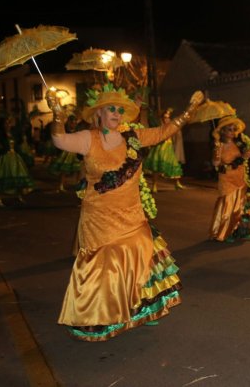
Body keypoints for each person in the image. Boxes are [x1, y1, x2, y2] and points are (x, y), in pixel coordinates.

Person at [45, 83, 204, 342]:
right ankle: (97, 316)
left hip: (131, 214)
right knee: (105, 266)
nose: (117, 114)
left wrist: (188, 111)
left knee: (141, 252)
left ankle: (142, 307)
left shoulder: (133, 136)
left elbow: (164, 131)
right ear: (99, 113)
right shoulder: (89, 138)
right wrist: (57, 116)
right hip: (99, 217)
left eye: (120, 110)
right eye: (111, 109)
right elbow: (60, 140)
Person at [209, 116, 250, 242]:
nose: (232, 132)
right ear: (222, 131)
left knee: (239, 208)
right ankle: (224, 233)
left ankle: (239, 231)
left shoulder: (239, 142)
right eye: (229, 130)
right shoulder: (218, 146)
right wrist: (216, 153)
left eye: (233, 129)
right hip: (227, 180)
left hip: (240, 178)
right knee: (227, 207)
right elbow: (215, 164)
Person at [0, 116, 35, 206]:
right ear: (2, 125)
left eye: (9, 123)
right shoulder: (0, 135)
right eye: (6, 123)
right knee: (3, 176)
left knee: (18, 175)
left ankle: (19, 196)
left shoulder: (14, 133)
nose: (8, 125)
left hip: (15, 158)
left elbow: (18, 142)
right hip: (5, 158)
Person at [143, 108, 185, 192]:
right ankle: (154, 185)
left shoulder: (171, 125)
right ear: (162, 119)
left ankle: (177, 183)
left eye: (168, 117)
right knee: (156, 167)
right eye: (165, 117)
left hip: (168, 147)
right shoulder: (159, 126)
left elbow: (177, 128)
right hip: (159, 147)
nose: (167, 119)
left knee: (173, 164)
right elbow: (153, 127)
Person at [48, 114, 81, 192]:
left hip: (74, 152)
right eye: (72, 122)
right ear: (69, 122)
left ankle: (77, 184)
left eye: (75, 123)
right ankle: (61, 185)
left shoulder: (77, 131)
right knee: (64, 170)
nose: (74, 124)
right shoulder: (64, 130)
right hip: (66, 153)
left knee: (78, 169)